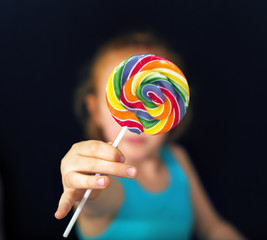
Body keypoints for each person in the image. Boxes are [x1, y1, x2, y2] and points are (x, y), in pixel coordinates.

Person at [54, 32, 245, 240]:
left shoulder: (178, 158)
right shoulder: (102, 169)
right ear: (96, 111)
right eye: (123, 99)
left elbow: (211, 227)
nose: (139, 115)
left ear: (174, 109)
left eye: (154, 100)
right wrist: (85, 188)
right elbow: (97, 200)